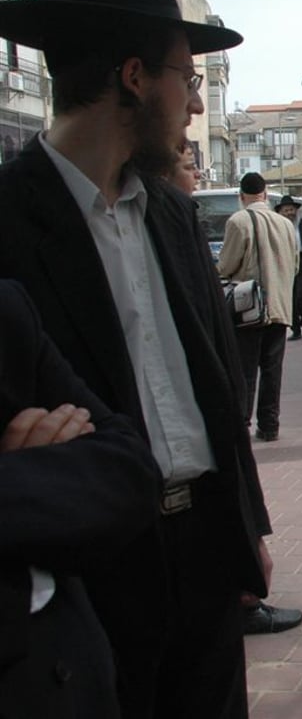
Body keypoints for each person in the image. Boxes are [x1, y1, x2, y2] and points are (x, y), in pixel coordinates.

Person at [0, 0, 276, 718]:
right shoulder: (10, 224)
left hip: (207, 560)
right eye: (186, 78)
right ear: (132, 78)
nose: (195, 103)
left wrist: (248, 526)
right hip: (88, 572)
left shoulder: (174, 214)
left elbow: (219, 384)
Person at [1, 279, 160, 719]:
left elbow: (130, 469)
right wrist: (44, 478)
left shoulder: (9, 309)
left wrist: (21, 476)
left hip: (71, 685)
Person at [217, 173, 299, 443]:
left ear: (241, 196)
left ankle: (242, 422)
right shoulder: (285, 224)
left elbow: (227, 265)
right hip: (280, 306)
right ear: (265, 194)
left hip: (249, 308)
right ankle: (270, 424)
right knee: (272, 368)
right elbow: (295, 265)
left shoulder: (238, 221)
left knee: (245, 368)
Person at [277, 195, 302, 341]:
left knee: (301, 297)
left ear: (296, 211)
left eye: (291, 210)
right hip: (284, 264)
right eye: (285, 210)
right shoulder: (277, 226)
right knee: (288, 300)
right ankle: (295, 328)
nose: (289, 213)